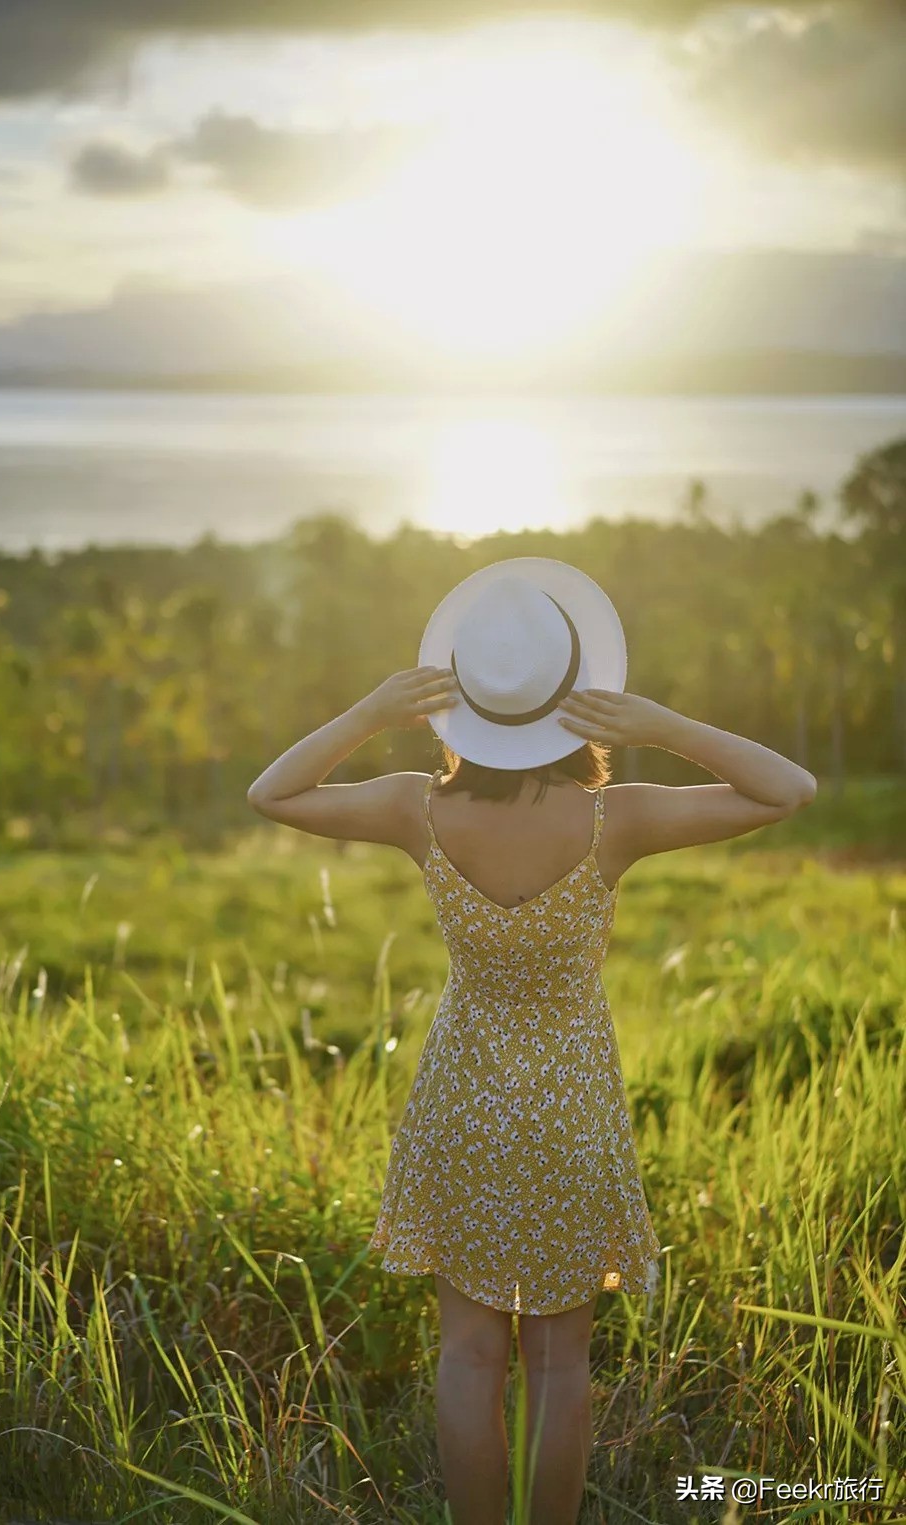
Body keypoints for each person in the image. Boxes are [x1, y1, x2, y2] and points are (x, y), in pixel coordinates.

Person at [247, 560, 816, 1525]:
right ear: (572, 699)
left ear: (458, 700)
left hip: (462, 1098)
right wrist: (661, 725)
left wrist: (372, 712)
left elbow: (273, 792)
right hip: (570, 1106)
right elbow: (787, 788)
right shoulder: (616, 817)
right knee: (559, 1359)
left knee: (469, 1353)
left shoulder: (412, 807)